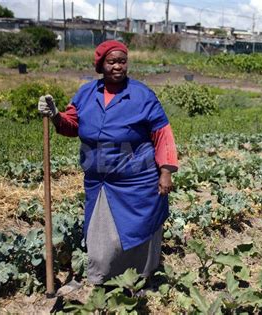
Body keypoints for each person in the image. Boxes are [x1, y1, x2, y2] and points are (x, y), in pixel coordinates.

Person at [38, 40, 179, 285]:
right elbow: (72, 125)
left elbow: (162, 134)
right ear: (101, 65)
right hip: (100, 178)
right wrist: (56, 116)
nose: (118, 67)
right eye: (112, 62)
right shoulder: (86, 93)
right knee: (101, 235)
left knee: (141, 230)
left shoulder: (142, 95)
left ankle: (141, 278)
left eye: (122, 61)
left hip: (137, 179)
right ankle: (102, 277)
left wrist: (165, 171)